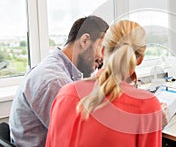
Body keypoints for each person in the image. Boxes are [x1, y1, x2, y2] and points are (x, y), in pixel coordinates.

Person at [46, 20, 163, 147]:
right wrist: (155, 121)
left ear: (102, 51)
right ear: (140, 59)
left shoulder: (64, 94)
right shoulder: (147, 105)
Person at [9, 15, 109, 147]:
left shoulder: (59, 70)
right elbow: (78, 139)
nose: (103, 57)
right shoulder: (54, 81)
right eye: (101, 47)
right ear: (84, 41)